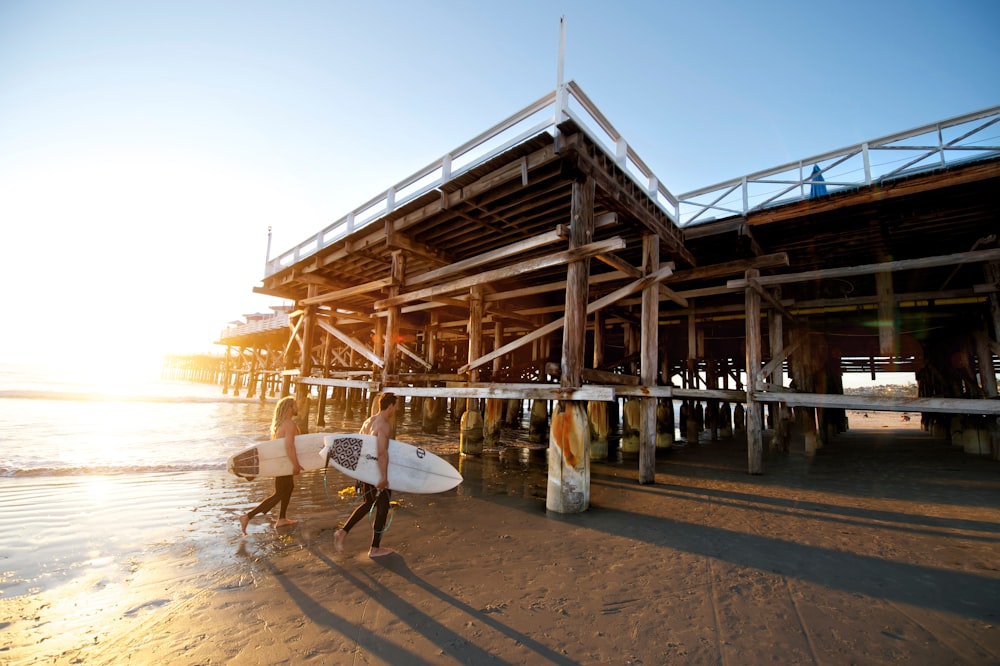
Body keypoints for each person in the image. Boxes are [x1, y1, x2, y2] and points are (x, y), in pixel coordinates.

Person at [333, 392, 396, 558]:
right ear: (390, 406)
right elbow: (381, 453)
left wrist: (358, 474)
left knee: (368, 503)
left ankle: (343, 532)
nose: (396, 410)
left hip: (365, 469)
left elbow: (359, 446)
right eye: (395, 406)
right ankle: (375, 548)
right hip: (375, 471)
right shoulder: (383, 425)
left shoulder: (369, 421)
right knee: (382, 508)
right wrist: (383, 477)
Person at [239, 395, 303, 534]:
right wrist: (296, 464)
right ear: (289, 408)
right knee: (280, 493)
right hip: (284, 463)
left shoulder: (279, 424)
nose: (297, 407)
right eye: (295, 405)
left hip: (280, 462)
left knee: (287, 489)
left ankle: (282, 519)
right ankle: (247, 516)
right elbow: (289, 447)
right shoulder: (289, 424)